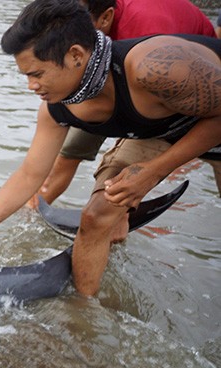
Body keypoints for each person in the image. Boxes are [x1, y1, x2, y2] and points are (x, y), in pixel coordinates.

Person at [0, 0, 221, 297]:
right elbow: (30, 175)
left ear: (76, 54)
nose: (30, 86)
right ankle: (85, 310)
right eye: (25, 75)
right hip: (156, 130)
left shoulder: (154, 66)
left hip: (213, 119)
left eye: (37, 74)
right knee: (96, 215)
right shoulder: (55, 109)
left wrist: (152, 173)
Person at [31, 0, 218, 212]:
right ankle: (31, 214)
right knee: (69, 151)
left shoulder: (150, 43)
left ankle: (122, 216)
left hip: (188, 93)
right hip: (112, 83)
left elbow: (136, 112)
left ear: (106, 17)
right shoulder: (90, 44)